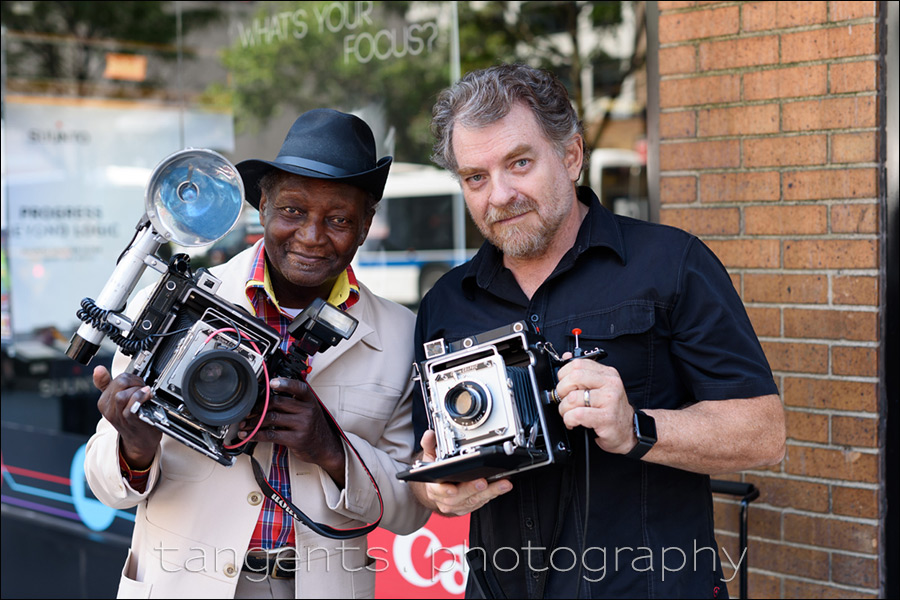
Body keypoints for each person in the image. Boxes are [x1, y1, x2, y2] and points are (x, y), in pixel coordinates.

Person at [408, 64, 786, 598]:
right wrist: (439, 492)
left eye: (519, 163)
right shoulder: (445, 303)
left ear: (571, 156)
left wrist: (637, 428)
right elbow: (430, 460)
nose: (499, 195)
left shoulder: (672, 263)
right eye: (476, 177)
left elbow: (763, 433)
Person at [84, 108, 431, 599]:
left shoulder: (399, 336)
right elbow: (104, 485)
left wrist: (331, 450)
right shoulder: (172, 306)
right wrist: (134, 448)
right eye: (292, 210)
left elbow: (410, 508)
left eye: (338, 219)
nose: (311, 236)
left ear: (366, 223)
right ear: (262, 205)